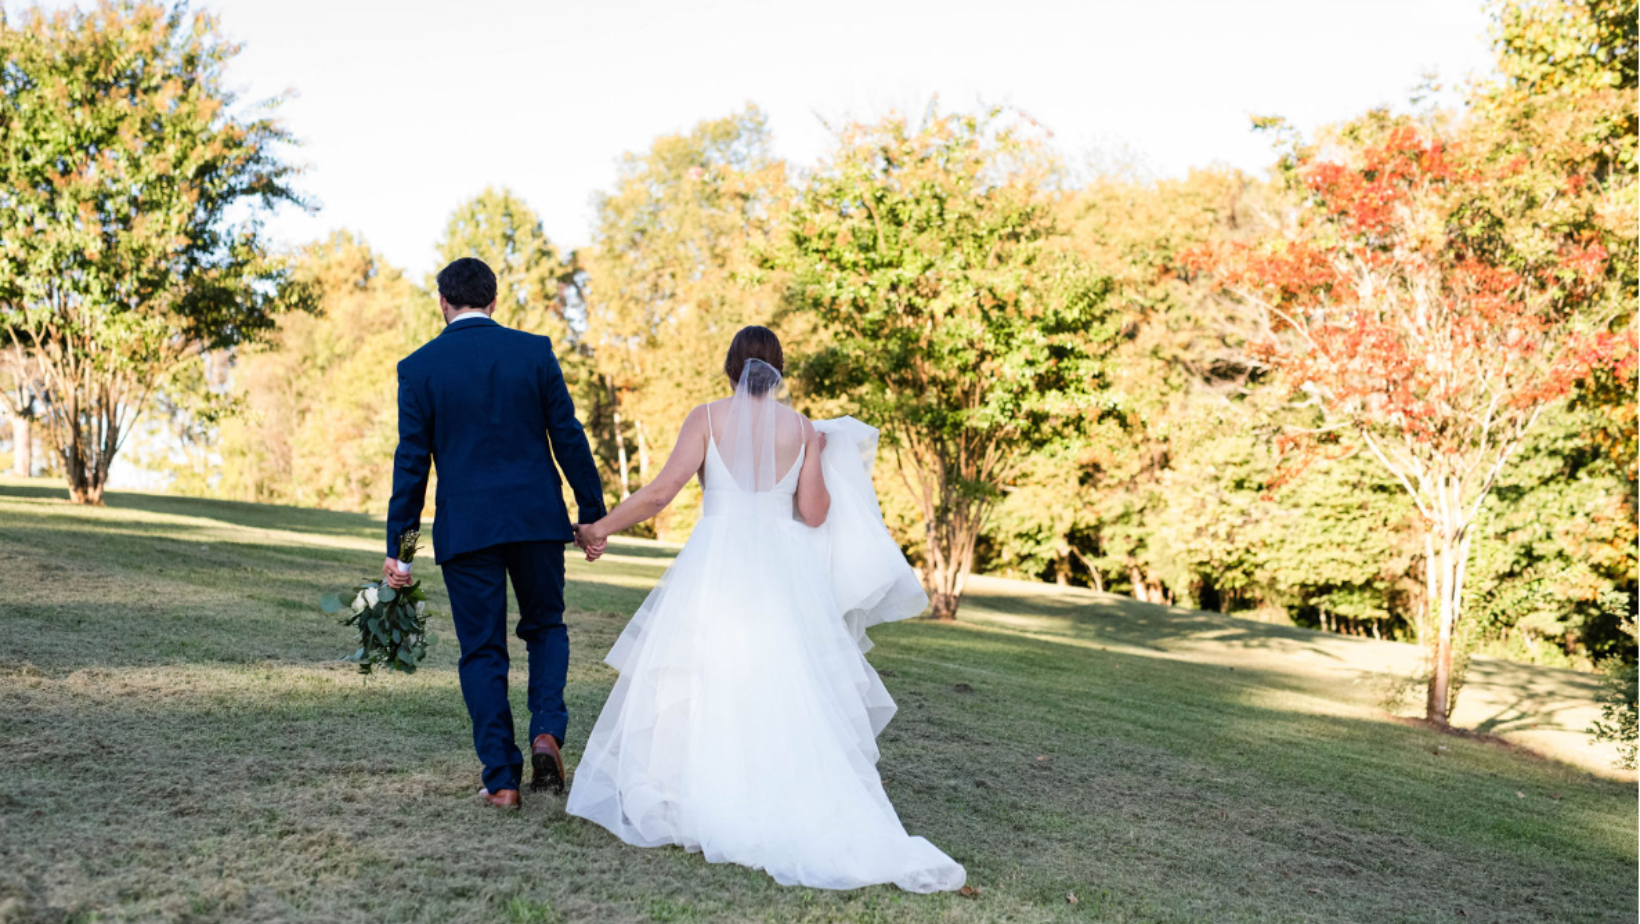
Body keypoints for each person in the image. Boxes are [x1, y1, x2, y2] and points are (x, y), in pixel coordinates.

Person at [565, 325, 966, 893]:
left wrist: (597, 529)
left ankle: (702, 795)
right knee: (781, 681)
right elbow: (815, 514)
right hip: (782, 573)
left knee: (707, 674)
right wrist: (816, 456)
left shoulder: (706, 418)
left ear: (732, 368)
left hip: (719, 562)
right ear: (778, 372)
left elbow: (660, 494)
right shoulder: (802, 430)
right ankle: (777, 794)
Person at [383, 257, 606, 810]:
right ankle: (546, 730)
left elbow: (411, 468)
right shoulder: (534, 352)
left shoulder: (419, 368)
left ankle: (502, 781)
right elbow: (569, 438)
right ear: (494, 300)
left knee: (482, 653)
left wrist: (401, 555)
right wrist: (591, 514)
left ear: (442, 302)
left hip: (468, 529)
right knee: (546, 627)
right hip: (535, 521)